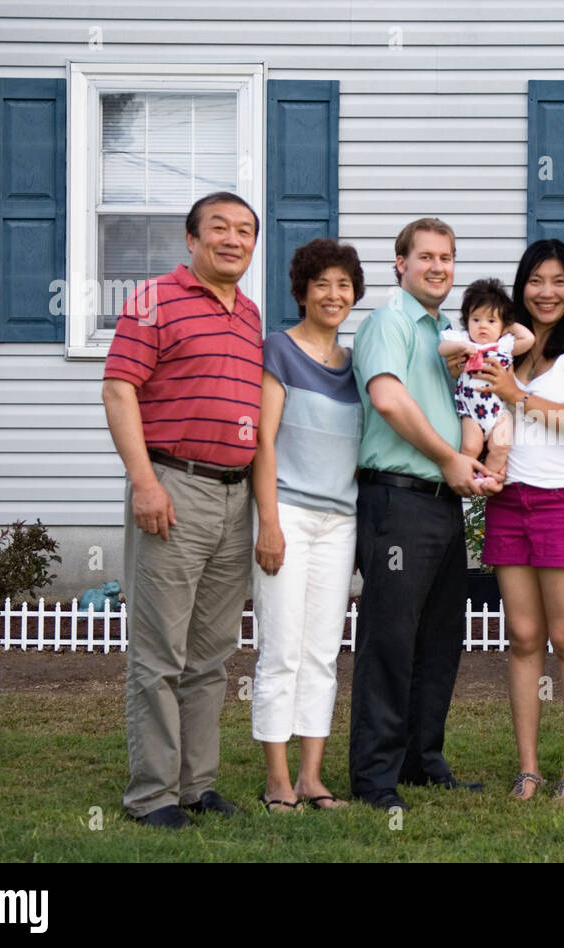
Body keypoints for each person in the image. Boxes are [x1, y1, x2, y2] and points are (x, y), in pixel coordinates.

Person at [102, 191, 262, 829]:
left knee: (211, 655)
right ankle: (152, 796)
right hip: (173, 487)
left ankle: (197, 785)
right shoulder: (154, 301)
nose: (233, 239)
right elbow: (118, 390)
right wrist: (144, 481)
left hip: (237, 493)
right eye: (218, 228)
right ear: (190, 241)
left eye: (245, 230)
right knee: (159, 653)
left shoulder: (249, 315)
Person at [349, 217, 495, 811]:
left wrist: (473, 466)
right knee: (390, 638)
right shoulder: (390, 322)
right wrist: (450, 460)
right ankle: (374, 776)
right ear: (400, 264)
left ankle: (421, 760)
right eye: (427, 256)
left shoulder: (445, 338)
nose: (439, 266)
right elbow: (387, 399)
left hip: (442, 502)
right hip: (398, 499)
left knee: (439, 639)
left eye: (448, 257)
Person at [474, 240, 564, 803]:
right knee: (525, 637)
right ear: (521, 287)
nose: (546, 292)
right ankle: (528, 768)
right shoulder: (505, 347)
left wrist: (516, 393)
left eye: (558, 281)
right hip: (510, 500)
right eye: (535, 280)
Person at [250, 238, 364, 813]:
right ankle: (275, 781)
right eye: (322, 283)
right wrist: (268, 522)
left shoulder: (357, 364)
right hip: (288, 515)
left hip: (340, 522)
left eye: (344, 285)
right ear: (302, 291)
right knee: (280, 651)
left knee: (323, 652)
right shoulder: (279, 349)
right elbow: (263, 442)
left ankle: (312, 778)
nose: (333, 294)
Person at [437, 278, 535, 482]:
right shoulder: (463, 340)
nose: (483, 326)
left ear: (502, 325)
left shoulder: (503, 345)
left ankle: (488, 477)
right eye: (476, 319)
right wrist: (460, 348)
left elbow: (529, 339)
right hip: (472, 412)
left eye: (491, 321)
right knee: (470, 447)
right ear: (467, 320)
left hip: (499, 411)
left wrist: (509, 326)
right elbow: (441, 348)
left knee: (501, 446)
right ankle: (469, 480)